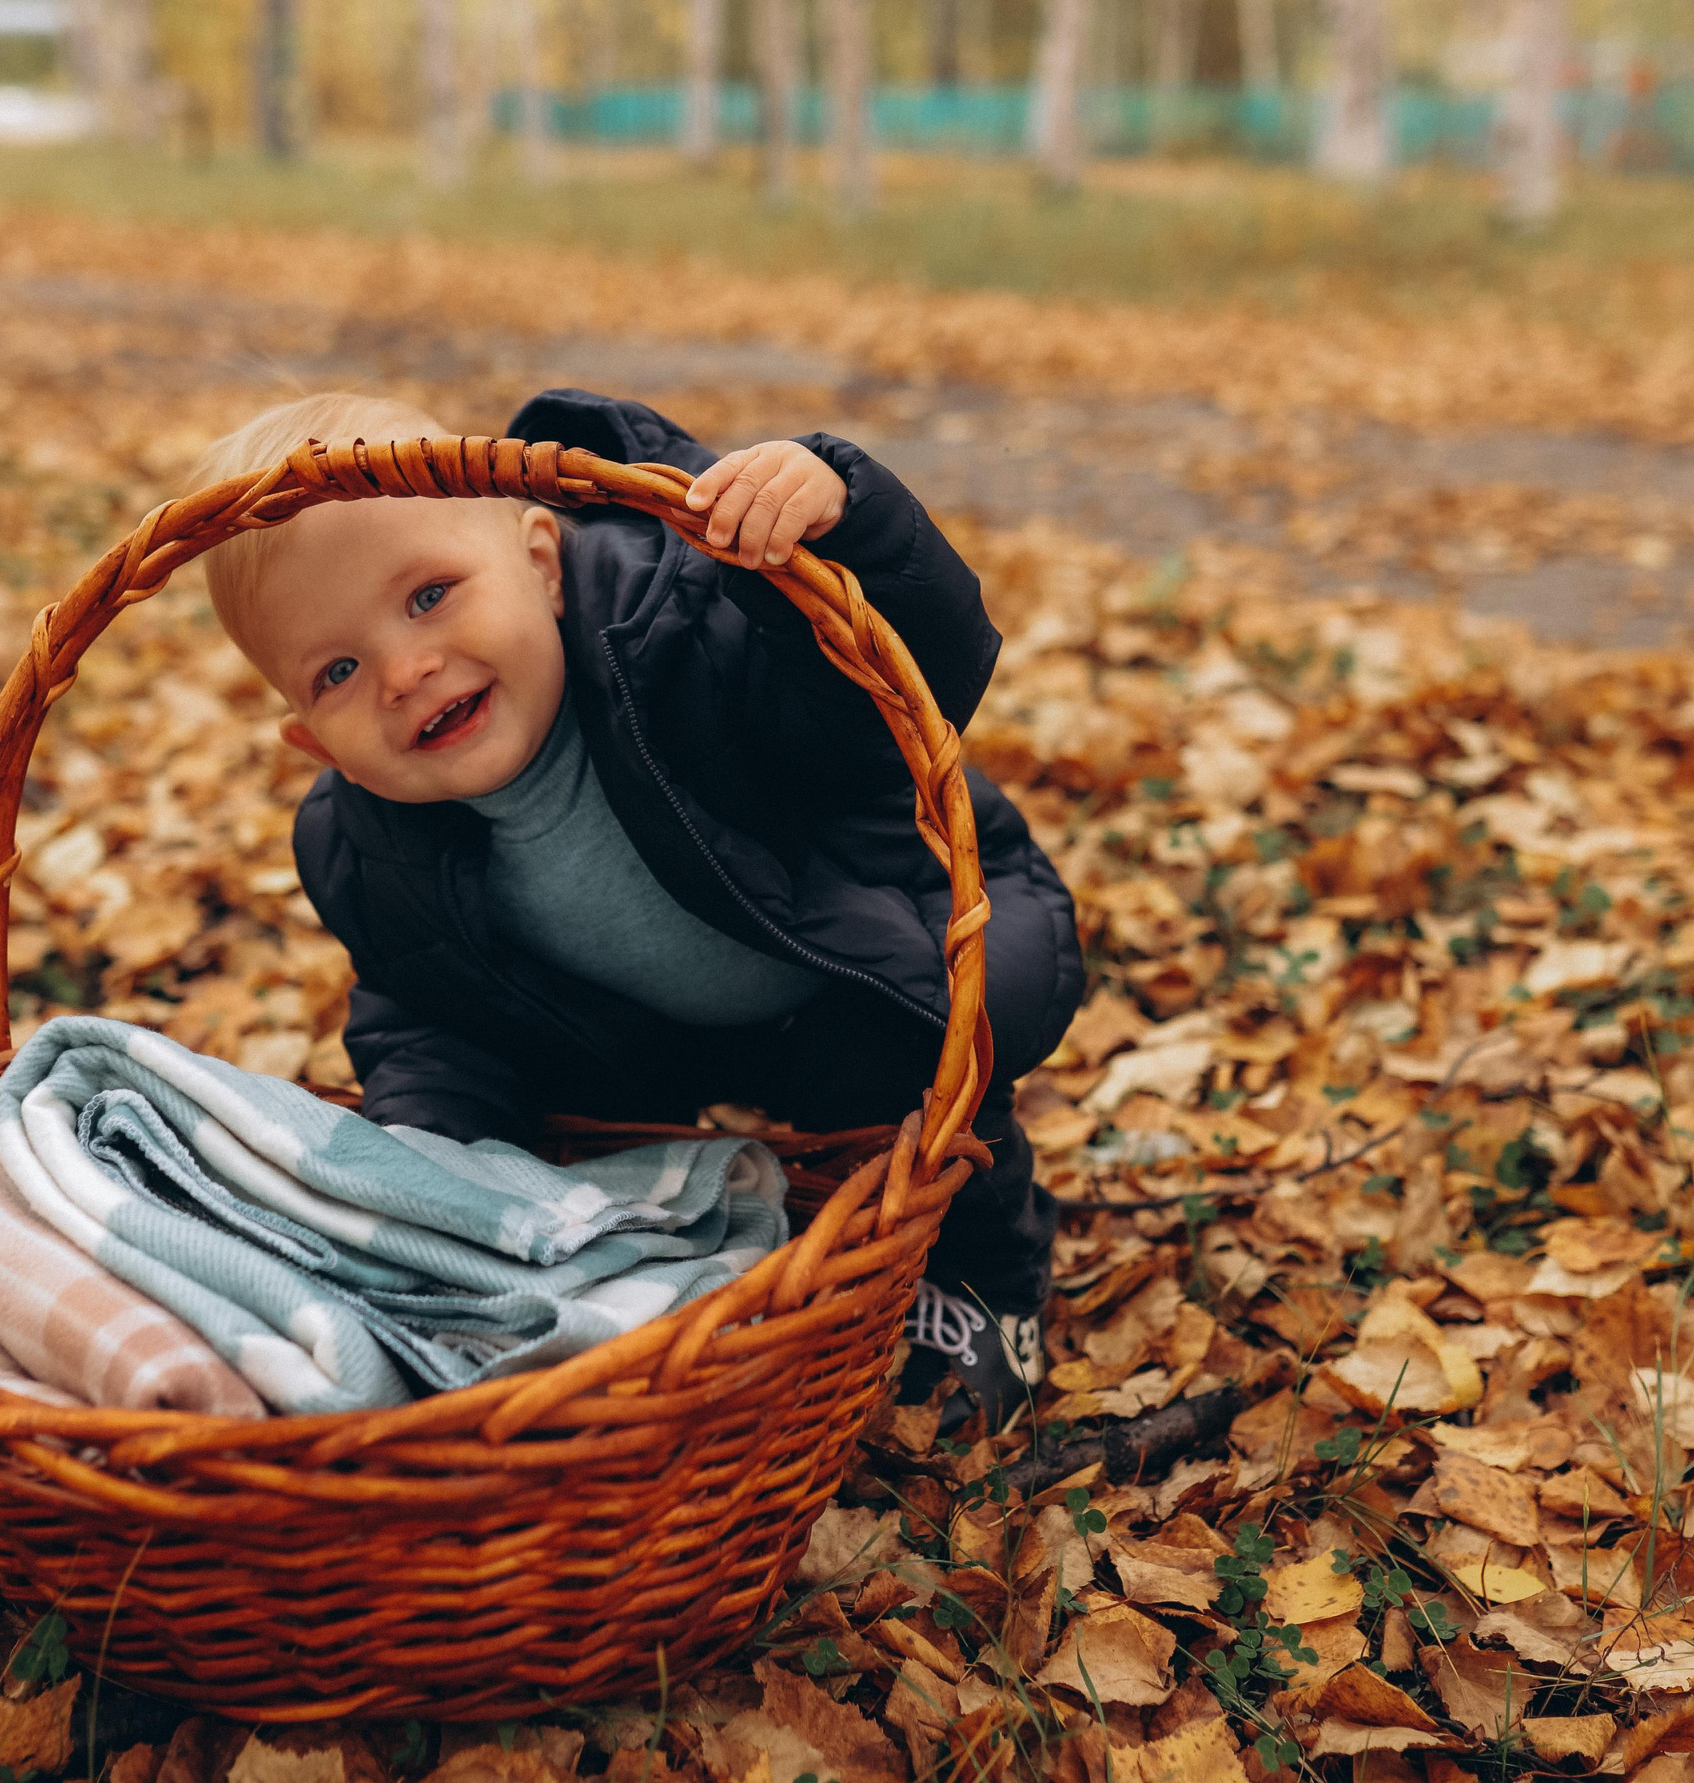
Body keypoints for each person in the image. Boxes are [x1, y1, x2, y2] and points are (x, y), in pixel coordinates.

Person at [186, 388, 1084, 1429]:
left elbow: (894, 676)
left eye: (429, 594)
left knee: (900, 1092)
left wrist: (849, 511)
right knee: (579, 1156)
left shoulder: (683, 632)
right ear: (309, 742)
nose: (404, 669)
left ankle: (987, 1284)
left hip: (885, 938)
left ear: (541, 559)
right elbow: (430, 1017)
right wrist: (430, 1171)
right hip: (652, 1039)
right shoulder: (362, 844)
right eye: (336, 670)